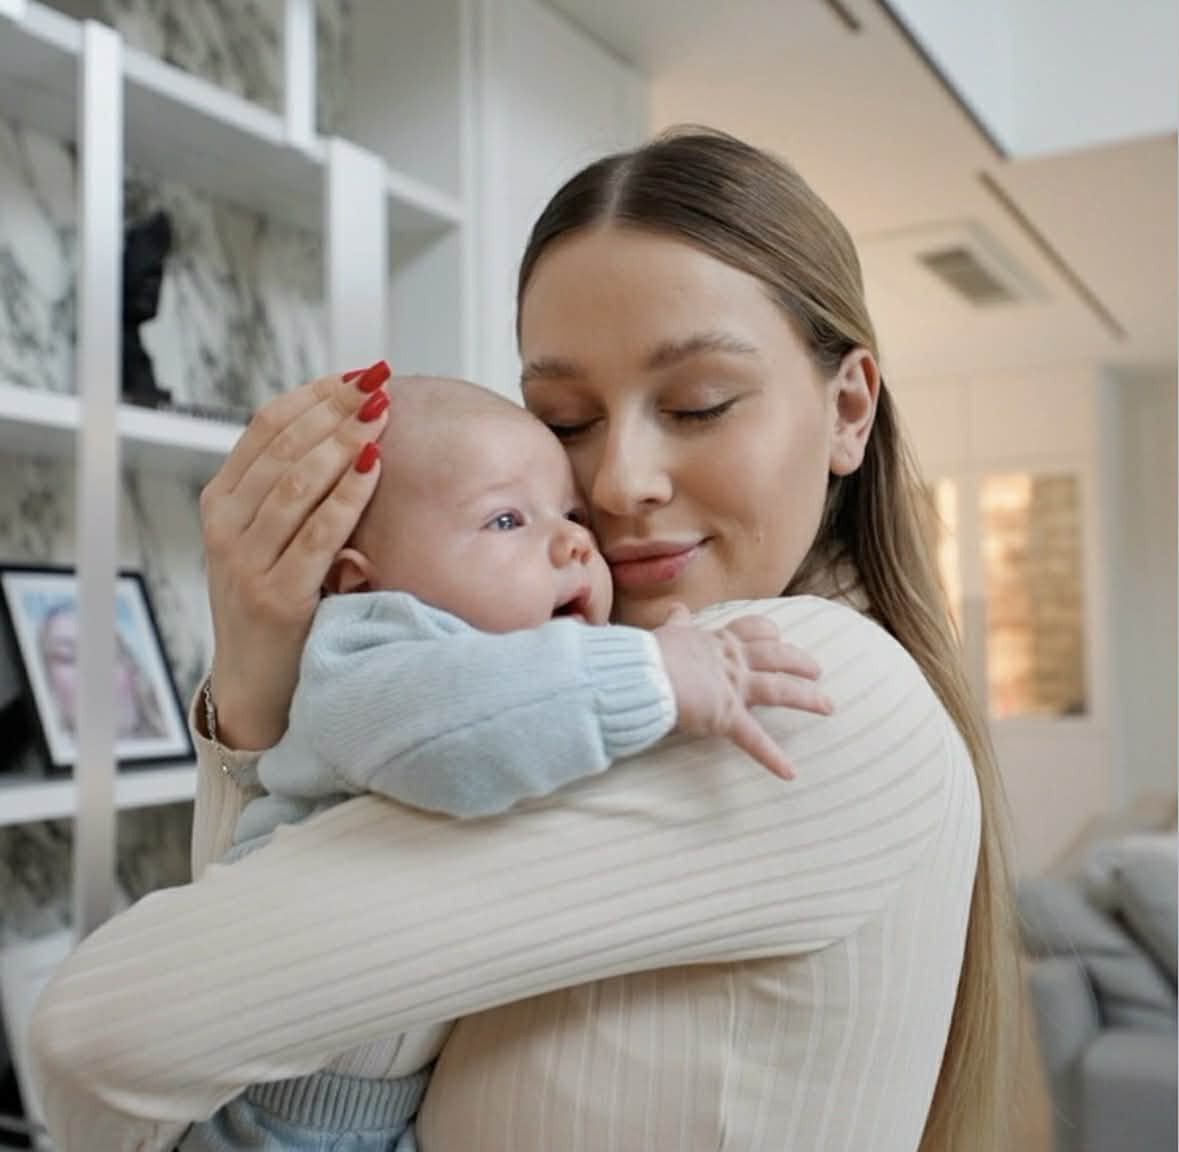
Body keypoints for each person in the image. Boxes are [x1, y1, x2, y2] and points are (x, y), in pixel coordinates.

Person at [29, 127, 1017, 1152]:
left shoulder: (802, 694)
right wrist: (253, 685)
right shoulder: (574, 691)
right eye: (567, 421)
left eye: (698, 405)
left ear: (848, 410)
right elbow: (274, 1061)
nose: (617, 484)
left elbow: (102, 1034)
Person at [185, 373, 830, 1151]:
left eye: (572, 516)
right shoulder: (364, 661)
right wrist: (656, 673)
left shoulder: (523, 680)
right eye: (504, 519)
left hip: (368, 1114)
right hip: (259, 1116)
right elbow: (460, 732)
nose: (574, 543)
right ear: (359, 581)